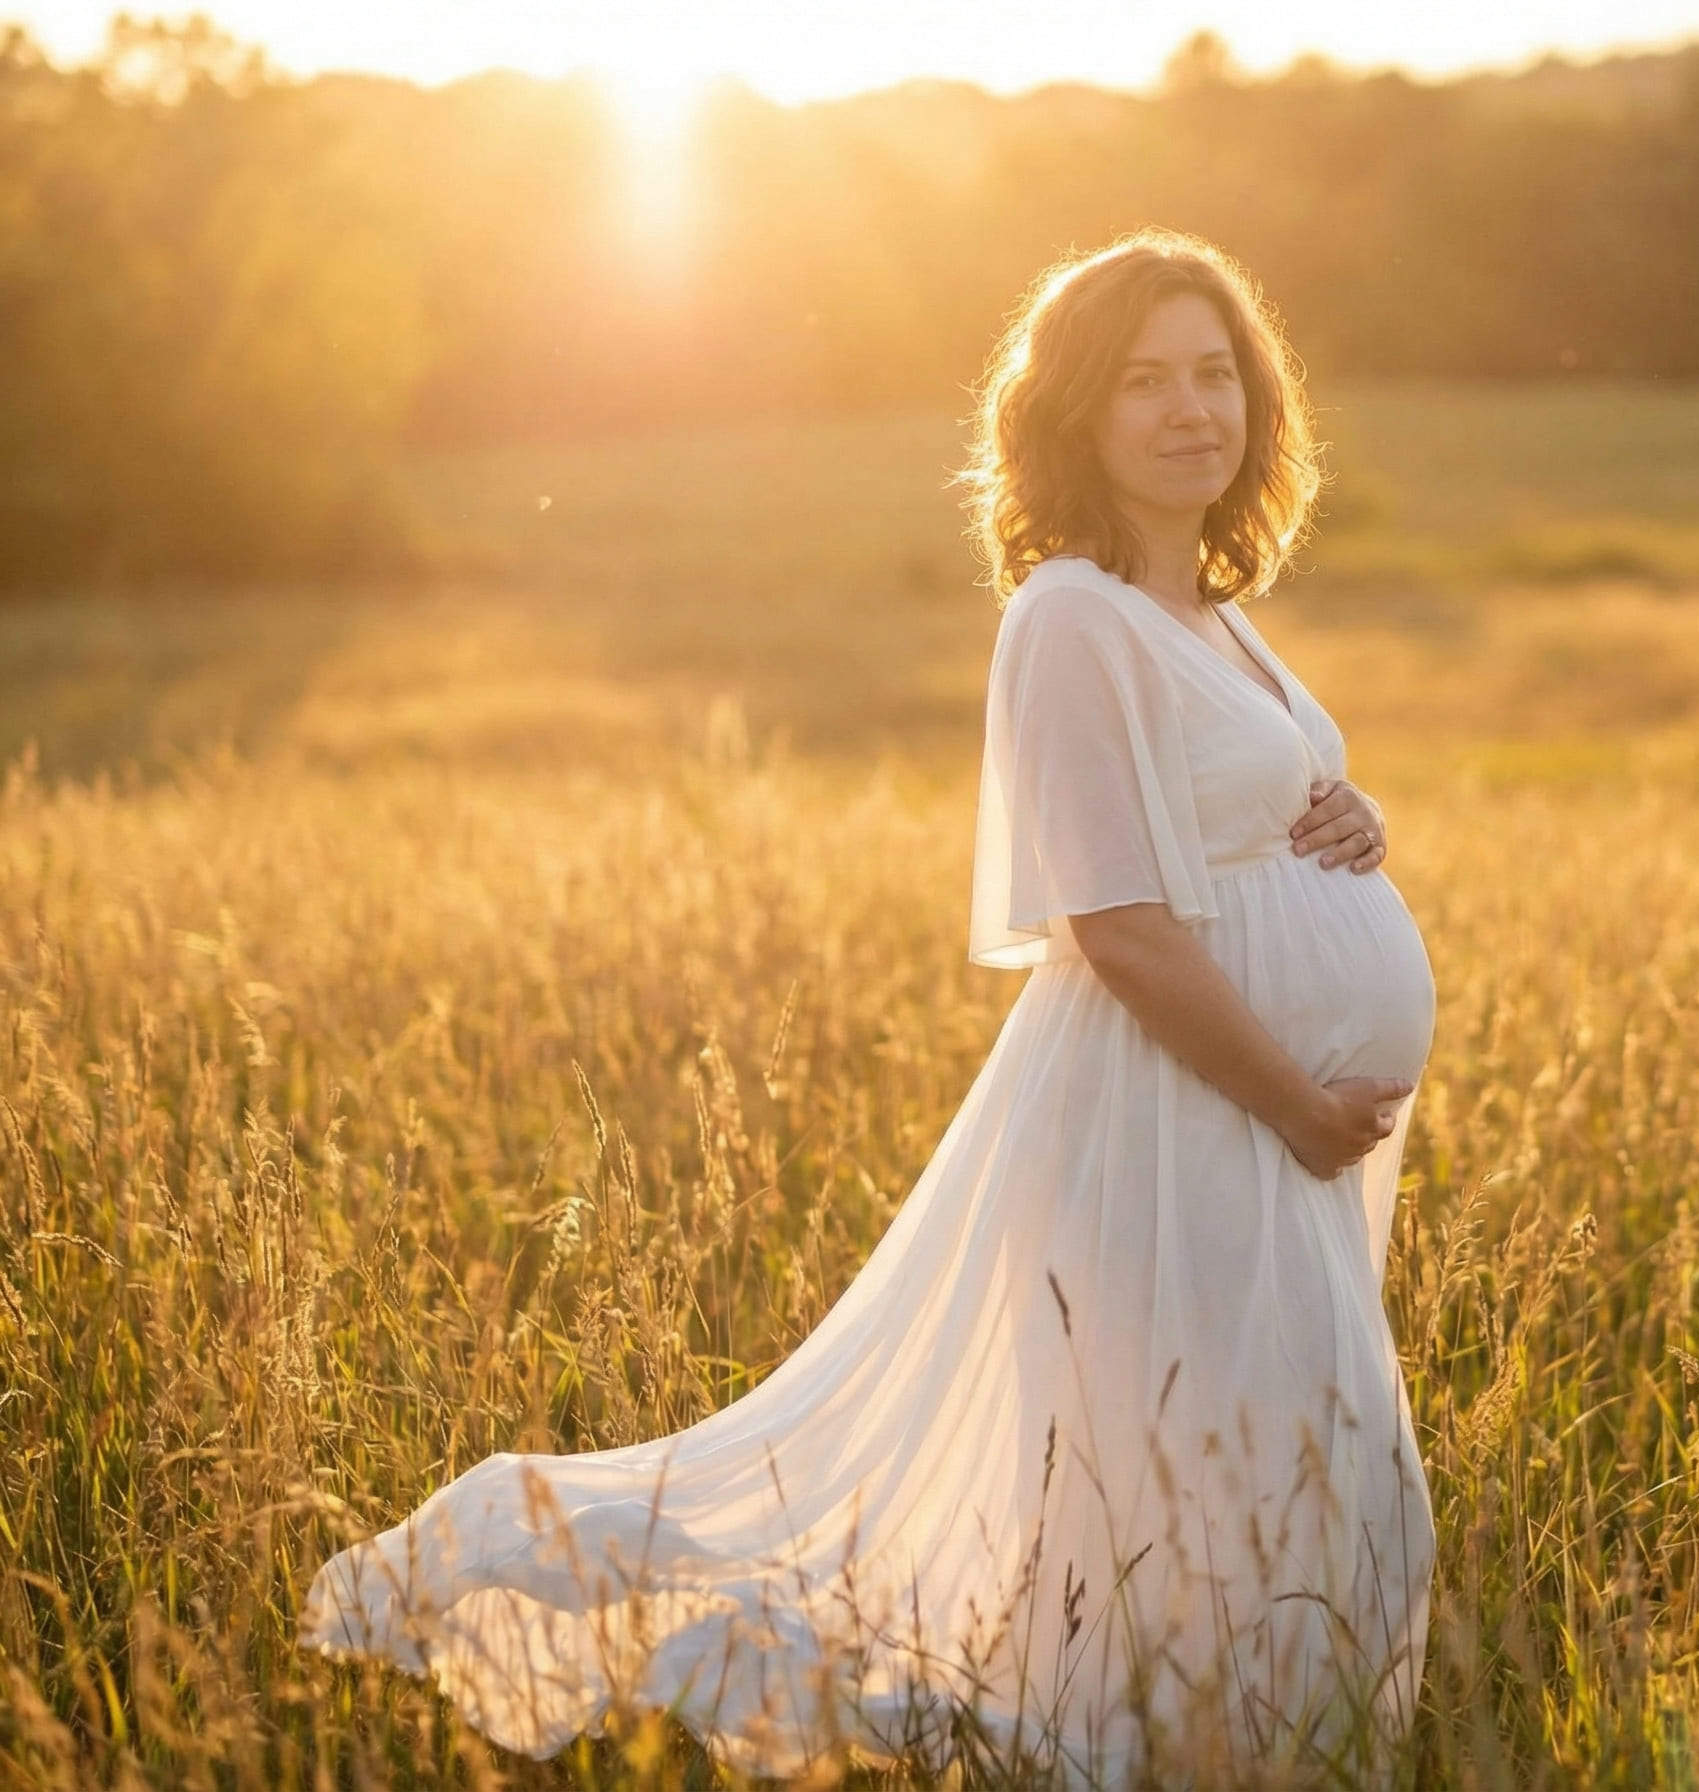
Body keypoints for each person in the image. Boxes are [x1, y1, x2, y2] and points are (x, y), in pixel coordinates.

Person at [298, 227, 1439, 1789]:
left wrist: (1347, 808)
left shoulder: (1217, 615)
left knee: (1300, 1492)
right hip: (1183, 1118)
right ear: (1078, 419)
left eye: (1215, 372)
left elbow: (1239, 805)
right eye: (1145, 381)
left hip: (1261, 1131)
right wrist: (1299, 1101)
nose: (1192, 409)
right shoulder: (1070, 615)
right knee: (1214, 1497)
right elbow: (1113, 918)